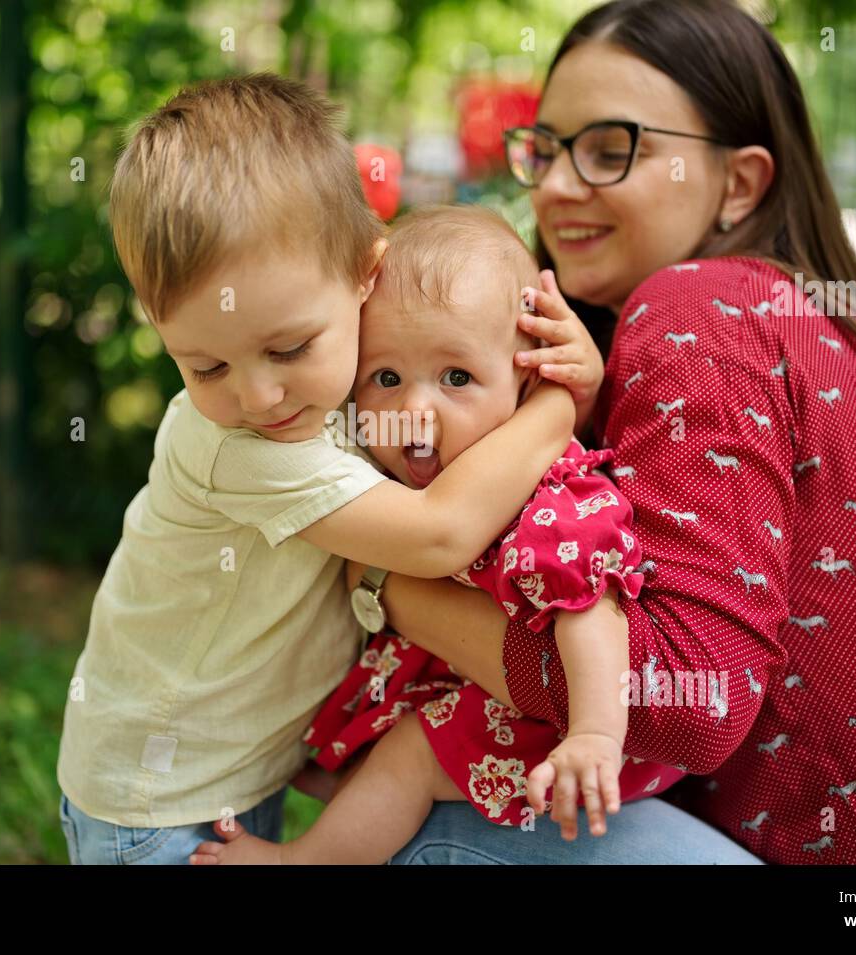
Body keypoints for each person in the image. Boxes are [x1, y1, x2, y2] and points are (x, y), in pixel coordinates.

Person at [369, 0, 856, 864]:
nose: (559, 187)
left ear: (742, 182)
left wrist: (388, 573)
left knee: (447, 806)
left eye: (613, 150)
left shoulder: (700, 310)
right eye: (549, 148)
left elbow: (689, 695)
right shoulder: (809, 321)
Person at [55, 74, 581, 864]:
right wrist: (559, 402)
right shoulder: (238, 446)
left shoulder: (344, 392)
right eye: (204, 366)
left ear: (366, 275)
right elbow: (438, 533)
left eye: (290, 348)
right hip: (158, 803)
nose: (258, 394)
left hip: (229, 775)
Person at [191, 206, 687, 864]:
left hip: (576, 735)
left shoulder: (547, 499)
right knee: (396, 737)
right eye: (386, 378)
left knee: (413, 755)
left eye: (457, 378)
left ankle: (302, 859)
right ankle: (355, 777)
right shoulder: (379, 462)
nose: (414, 411)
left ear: (528, 379)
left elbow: (591, 605)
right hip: (483, 684)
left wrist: (594, 734)